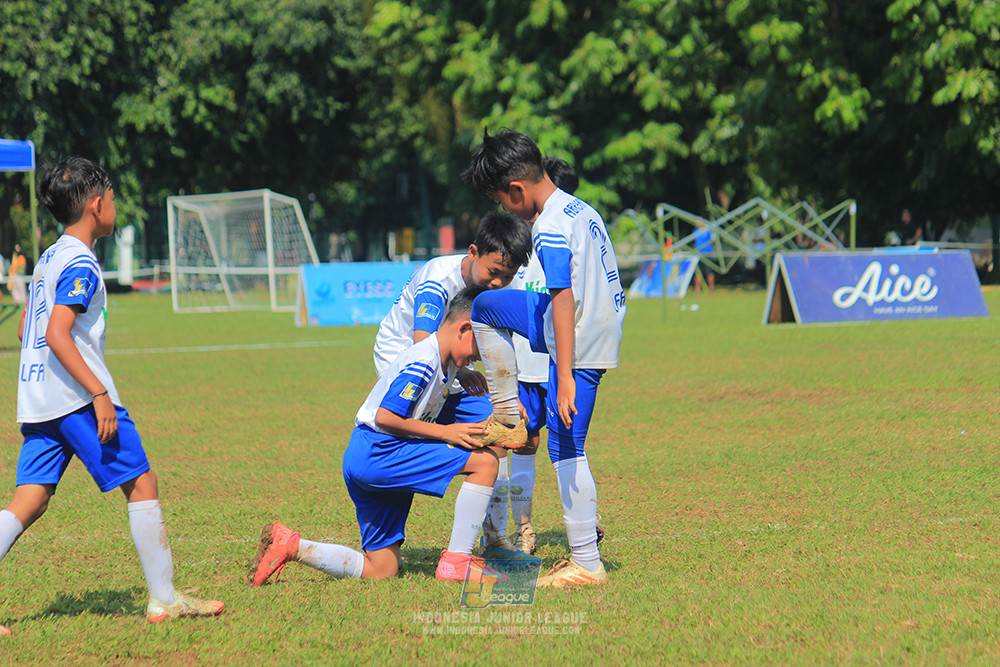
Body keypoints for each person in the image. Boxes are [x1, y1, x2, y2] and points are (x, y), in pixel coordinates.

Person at [1, 157, 223, 635]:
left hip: (40, 399)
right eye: (114, 199)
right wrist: (98, 391)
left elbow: (27, 328)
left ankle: (166, 598)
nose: (115, 207)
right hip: (77, 397)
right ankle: (165, 600)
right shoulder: (80, 261)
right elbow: (59, 333)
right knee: (142, 483)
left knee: (29, 500)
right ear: (97, 204)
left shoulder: (49, 257)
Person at [249, 287, 518, 585]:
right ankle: (458, 562)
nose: (481, 358)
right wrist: (445, 433)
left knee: (382, 570)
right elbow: (386, 417)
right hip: (381, 451)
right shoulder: (423, 363)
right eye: (482, 347)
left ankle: (291, 545)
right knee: (485, 464)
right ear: (465, 329)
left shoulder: (446, 362)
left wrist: (478, 392)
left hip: (365, 454)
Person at [461, 130, 626, 587]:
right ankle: (511, 414)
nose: (507, 212)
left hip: (578, 340)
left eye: (503, 201)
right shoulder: (577, 207)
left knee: (566, 445)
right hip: (583, 326)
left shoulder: (551, 224)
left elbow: (564, 295)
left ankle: (587, 563)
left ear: (516, 189)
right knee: (485, 307)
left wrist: (566, 375)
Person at [372, 212, 533, 560]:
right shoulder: (437, 280)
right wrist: (461, 373)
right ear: (473, 252)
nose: (498, 283)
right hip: (406, 364)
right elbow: (423, 345)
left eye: (506, 277)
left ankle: (493, 540)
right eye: (493, 273)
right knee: (405, 437)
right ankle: (384, 533)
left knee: (499, 431)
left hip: (453, 368)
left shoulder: (506, 285)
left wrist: (508, 401)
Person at [504, 157, 578, 554]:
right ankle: (524, 529)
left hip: (560, 368)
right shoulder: (517, 251)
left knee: (570, 445)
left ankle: (583, 525)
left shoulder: (564, 241)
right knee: (524, 446)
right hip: (524, 374)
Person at [692, 219, 716, 292]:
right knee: (698, 272)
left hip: (707, 254)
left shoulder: (708, 231)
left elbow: (714, 240)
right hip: (698, 254)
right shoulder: (695, 231)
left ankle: (711, 288)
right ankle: (698, 289)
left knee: (709, 271)